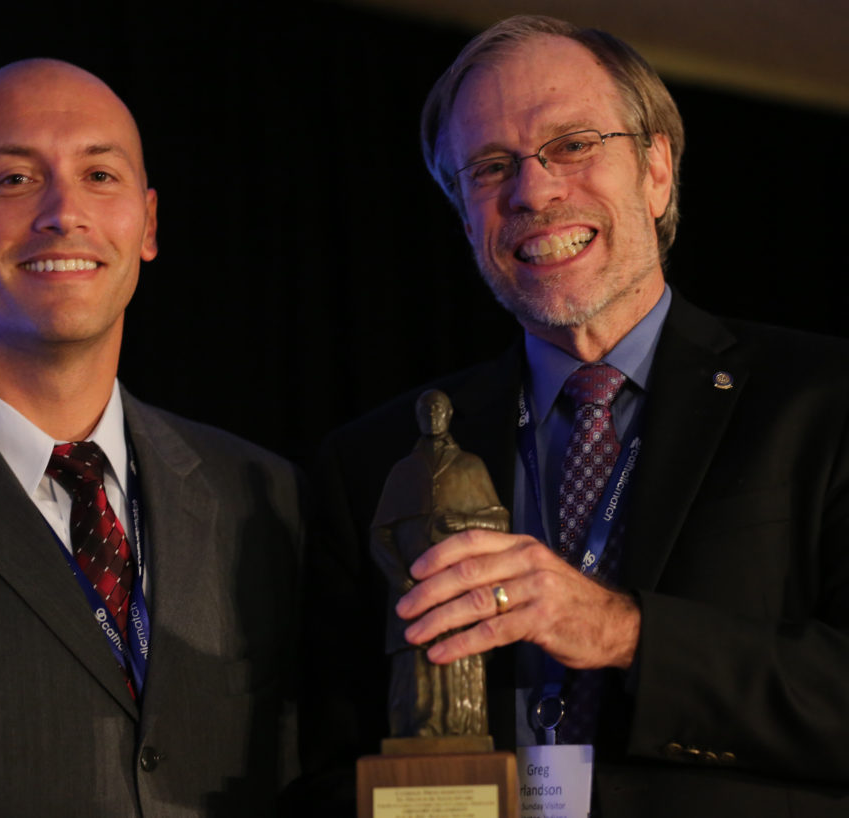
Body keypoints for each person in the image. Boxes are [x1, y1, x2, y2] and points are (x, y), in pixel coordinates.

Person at [300, 14, 849, 817]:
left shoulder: (824, 400)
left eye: (573, 145)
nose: (534, 191)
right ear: (463, 216)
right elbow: (322, 763)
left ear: (657, 169)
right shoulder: (376, 459)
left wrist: (626, 633)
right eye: (490, 168)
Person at [0, 59, 303, 817]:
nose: (63, 213)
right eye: (14, 180)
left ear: (147, 224)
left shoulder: (266, 498)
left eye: (100, 176)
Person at [370, 389, 509, 739]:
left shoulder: (470, 465)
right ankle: (420, 727)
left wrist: (463, 522)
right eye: (425, 410)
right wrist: (399, 577)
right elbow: (380, 535)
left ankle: (462, 728)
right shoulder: (403, 471)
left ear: (449, 414)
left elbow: (501, 523)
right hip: (412, 589)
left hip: (461, 586)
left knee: (462, 659)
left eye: (438, 409)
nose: (432, 416)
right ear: (417, 416)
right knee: (415, 666)